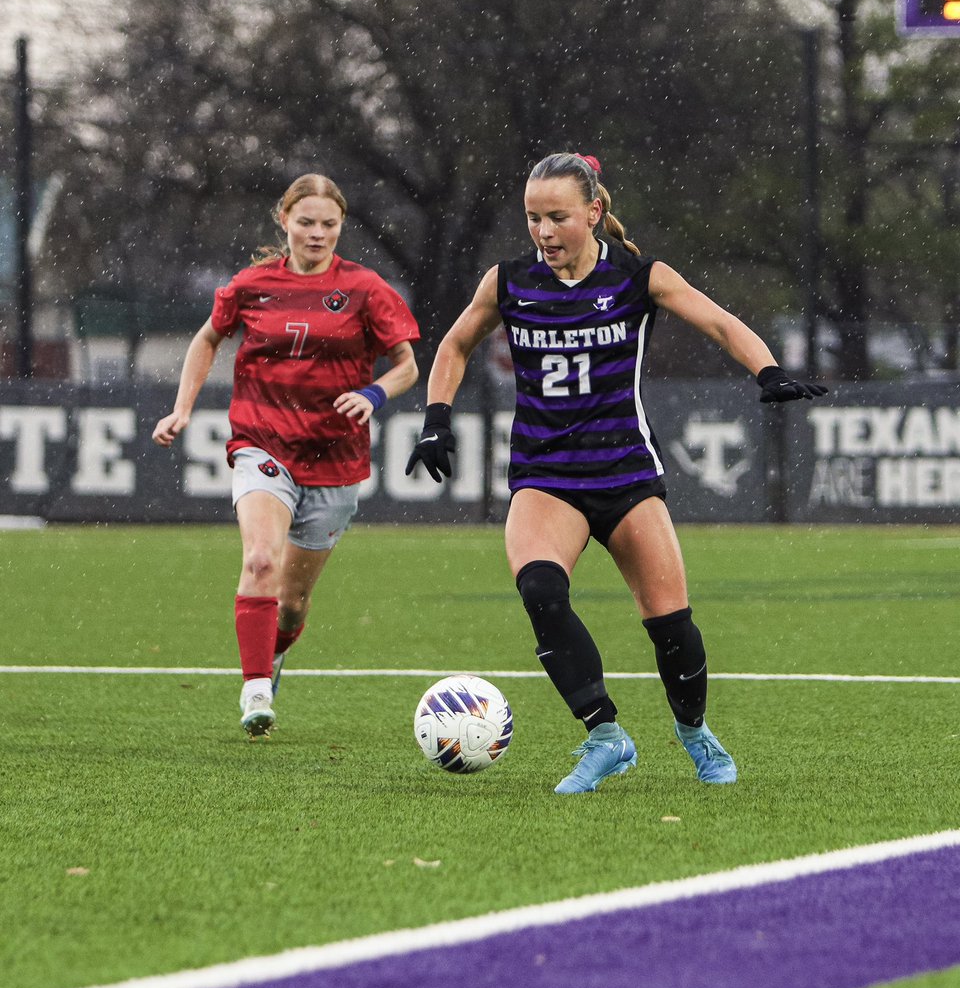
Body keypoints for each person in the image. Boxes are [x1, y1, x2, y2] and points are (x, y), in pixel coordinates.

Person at [406, 152, 826, 794]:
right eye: (532, 219)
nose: (543, 233)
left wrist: (767, 371)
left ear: (594, 212)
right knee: (542, 594)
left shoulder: (638, 275)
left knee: (670, 626)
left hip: (626, 473)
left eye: (557, 217)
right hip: (546, 474)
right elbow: (457, 342)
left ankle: (694, 732)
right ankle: (605, 735)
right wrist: (436, 415)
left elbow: (716, 319)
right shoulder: (509, 281)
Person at [153, 173, 420, 738]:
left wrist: (374, 393)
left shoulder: (367, 289)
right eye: (306, 222)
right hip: (262, 442)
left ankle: (273, 655)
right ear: (285, 221)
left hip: (335, 458)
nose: (317, 233)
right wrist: (182, 408)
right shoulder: (251, 285)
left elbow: (406, 366)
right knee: (260, 562)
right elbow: (207, 338)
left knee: (293, 602)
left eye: (328, 224)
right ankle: (254, 688)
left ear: (340, 225)